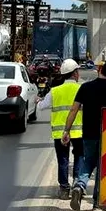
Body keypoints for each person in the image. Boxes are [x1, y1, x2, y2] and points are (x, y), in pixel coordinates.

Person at [62, 60, 106, 211]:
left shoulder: (85, 87)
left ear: (100, 71)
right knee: (102, 165)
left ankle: (79, 186)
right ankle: (96, 201)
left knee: (88, 160)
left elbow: (74, 110)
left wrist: (66, 130)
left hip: (88, 133)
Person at [37, 59, 84, 199]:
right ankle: (77, 184)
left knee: (63, 159)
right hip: (79, 131)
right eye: (78, 71)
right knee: (80, 156)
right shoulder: (82, 89)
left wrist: (38, 101)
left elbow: (41, 107)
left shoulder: (55, 91)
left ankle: (64, 189)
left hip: (60, 132)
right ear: (75, 73)